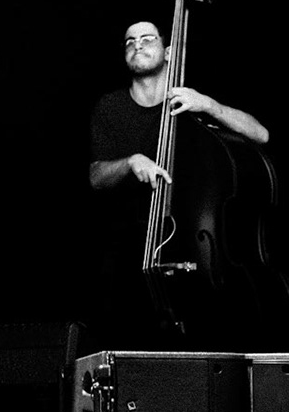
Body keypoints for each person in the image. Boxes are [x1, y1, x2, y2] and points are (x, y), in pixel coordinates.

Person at [86, 19, 270, 347]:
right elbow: (97, 176)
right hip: (130, 250)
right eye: (129, 41)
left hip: (195, 248)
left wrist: (209, 105)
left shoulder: (188, 101)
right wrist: (131, 162)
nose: (137, 45)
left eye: (146, 39)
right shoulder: (110, 107)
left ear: (169, 51)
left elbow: (261, 135)